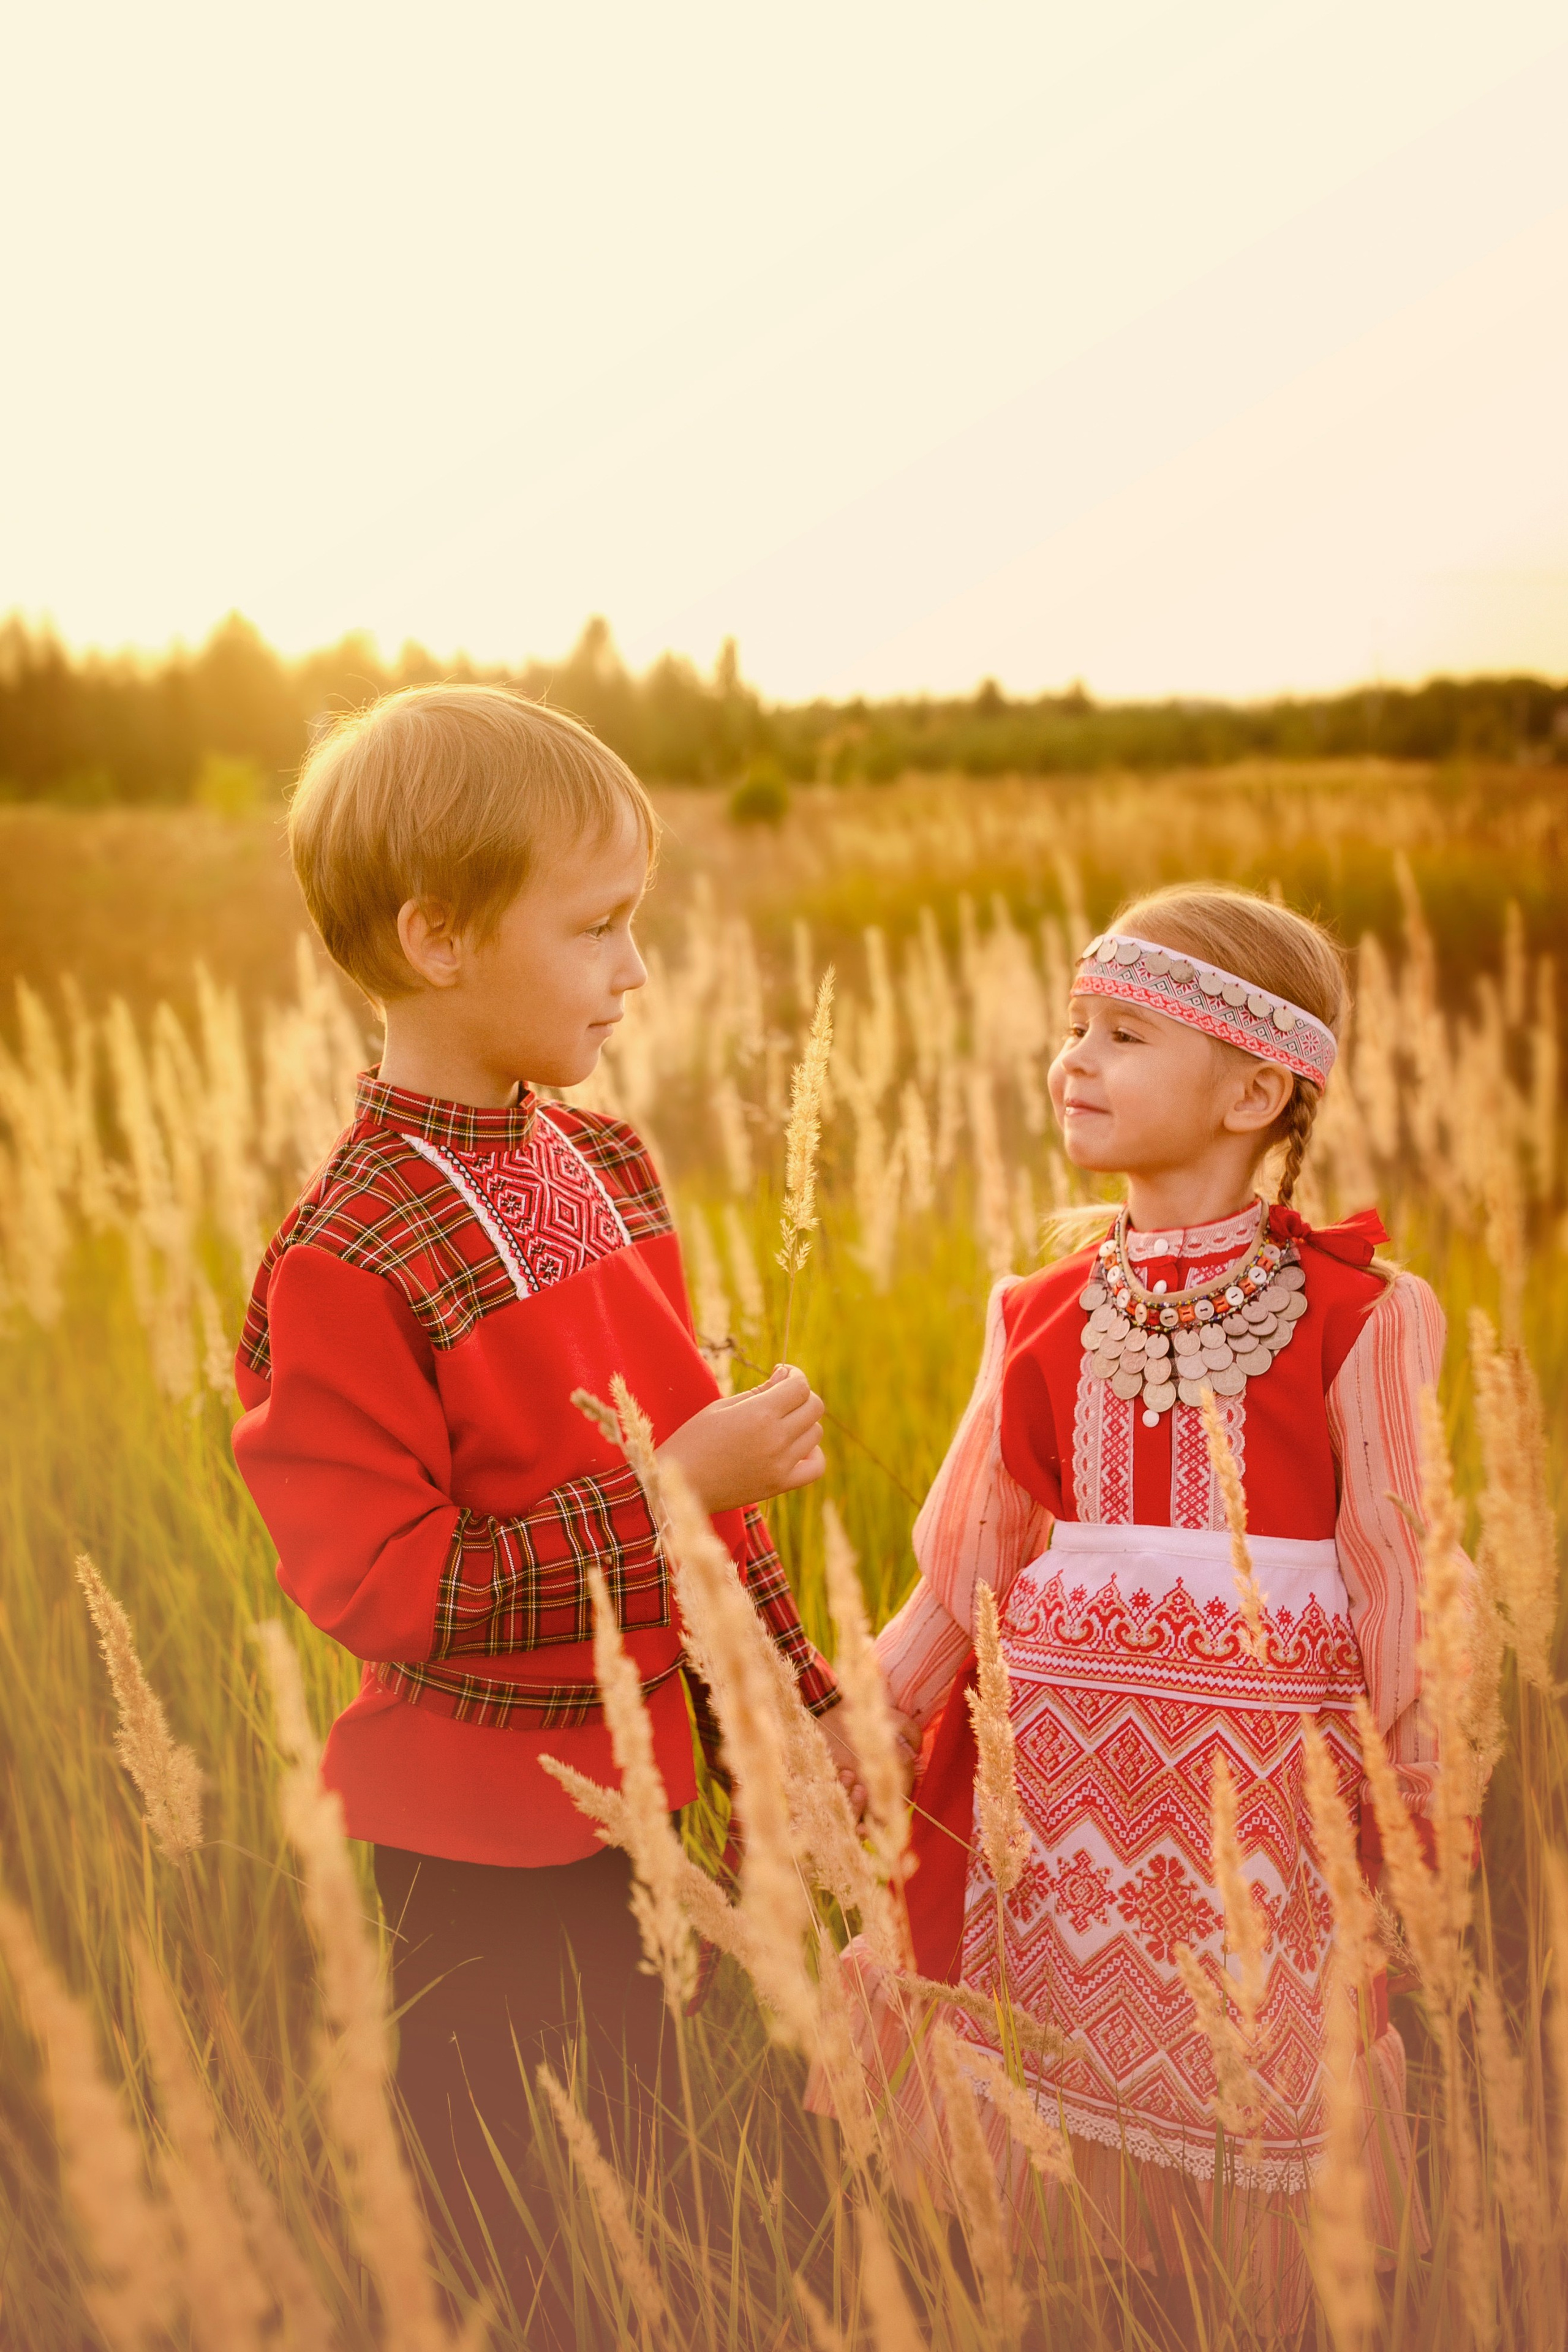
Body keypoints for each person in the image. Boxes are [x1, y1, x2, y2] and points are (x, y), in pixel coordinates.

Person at [232, 683, 865, 2297]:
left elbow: (705, 1500)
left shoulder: (610, 1164)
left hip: (652, 1802)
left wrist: (799, 1703)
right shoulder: (346, 1262)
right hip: (470, 1850)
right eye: (598, 929)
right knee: (507, 2234)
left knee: (663, 2183)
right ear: (439, 937)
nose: (636, 972)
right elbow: (398, 1590)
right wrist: (666, 1487)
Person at [863, 884, 1449, 2329]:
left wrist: (1421, 1796)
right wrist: (862, 1711)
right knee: (1053, 2106)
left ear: (1256, 1087)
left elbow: (1397, 1569)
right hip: (1055, 1804)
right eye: (1073, 1028)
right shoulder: (1040, 1309)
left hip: (1257, 1815)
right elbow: (969, 1557)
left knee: (1248, 2096)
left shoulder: (1359, 1317)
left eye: (1122, 1034)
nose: (1072, 1060)